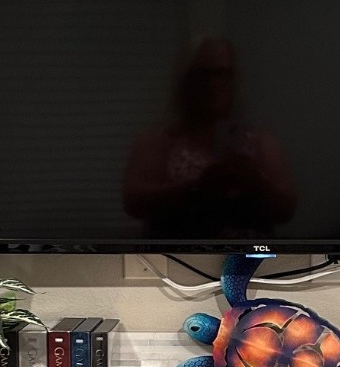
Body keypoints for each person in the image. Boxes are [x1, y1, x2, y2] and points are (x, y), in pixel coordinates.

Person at [123, 37, 297, 239]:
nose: (213, 83)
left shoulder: (260, 142)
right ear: (186, 79)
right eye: (203, 74)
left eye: (222, 74)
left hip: (250, 261)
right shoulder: (159, 140)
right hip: (174, 262)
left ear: (233, 80)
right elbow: (133, 203)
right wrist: (197, 188)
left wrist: (255, 181)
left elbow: (287, 210)